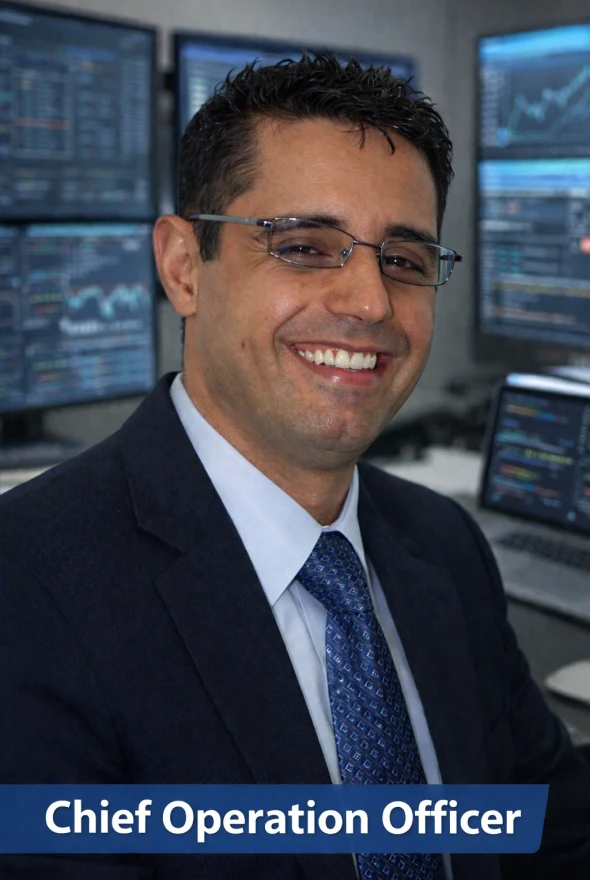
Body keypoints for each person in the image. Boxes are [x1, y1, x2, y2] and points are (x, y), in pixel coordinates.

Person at [0, 53, 589, 880]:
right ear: (183, 267)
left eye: (404, 260)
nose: (371, 302)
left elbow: (551, 839)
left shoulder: (446, 546)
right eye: (306, 246)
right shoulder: (26, 588)